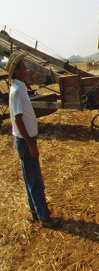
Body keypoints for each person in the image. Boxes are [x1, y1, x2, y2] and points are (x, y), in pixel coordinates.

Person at [6, 52, 61, 229]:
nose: (26, 69)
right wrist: (30, 145)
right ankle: (45, 218)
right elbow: (18, 119)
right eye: (23, 67)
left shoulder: (20, 88)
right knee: (35, 180)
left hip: (25, 140)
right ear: (16, 72)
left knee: (29, 177)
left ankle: (35, 212)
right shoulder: (16, 91)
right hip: (24, 141)